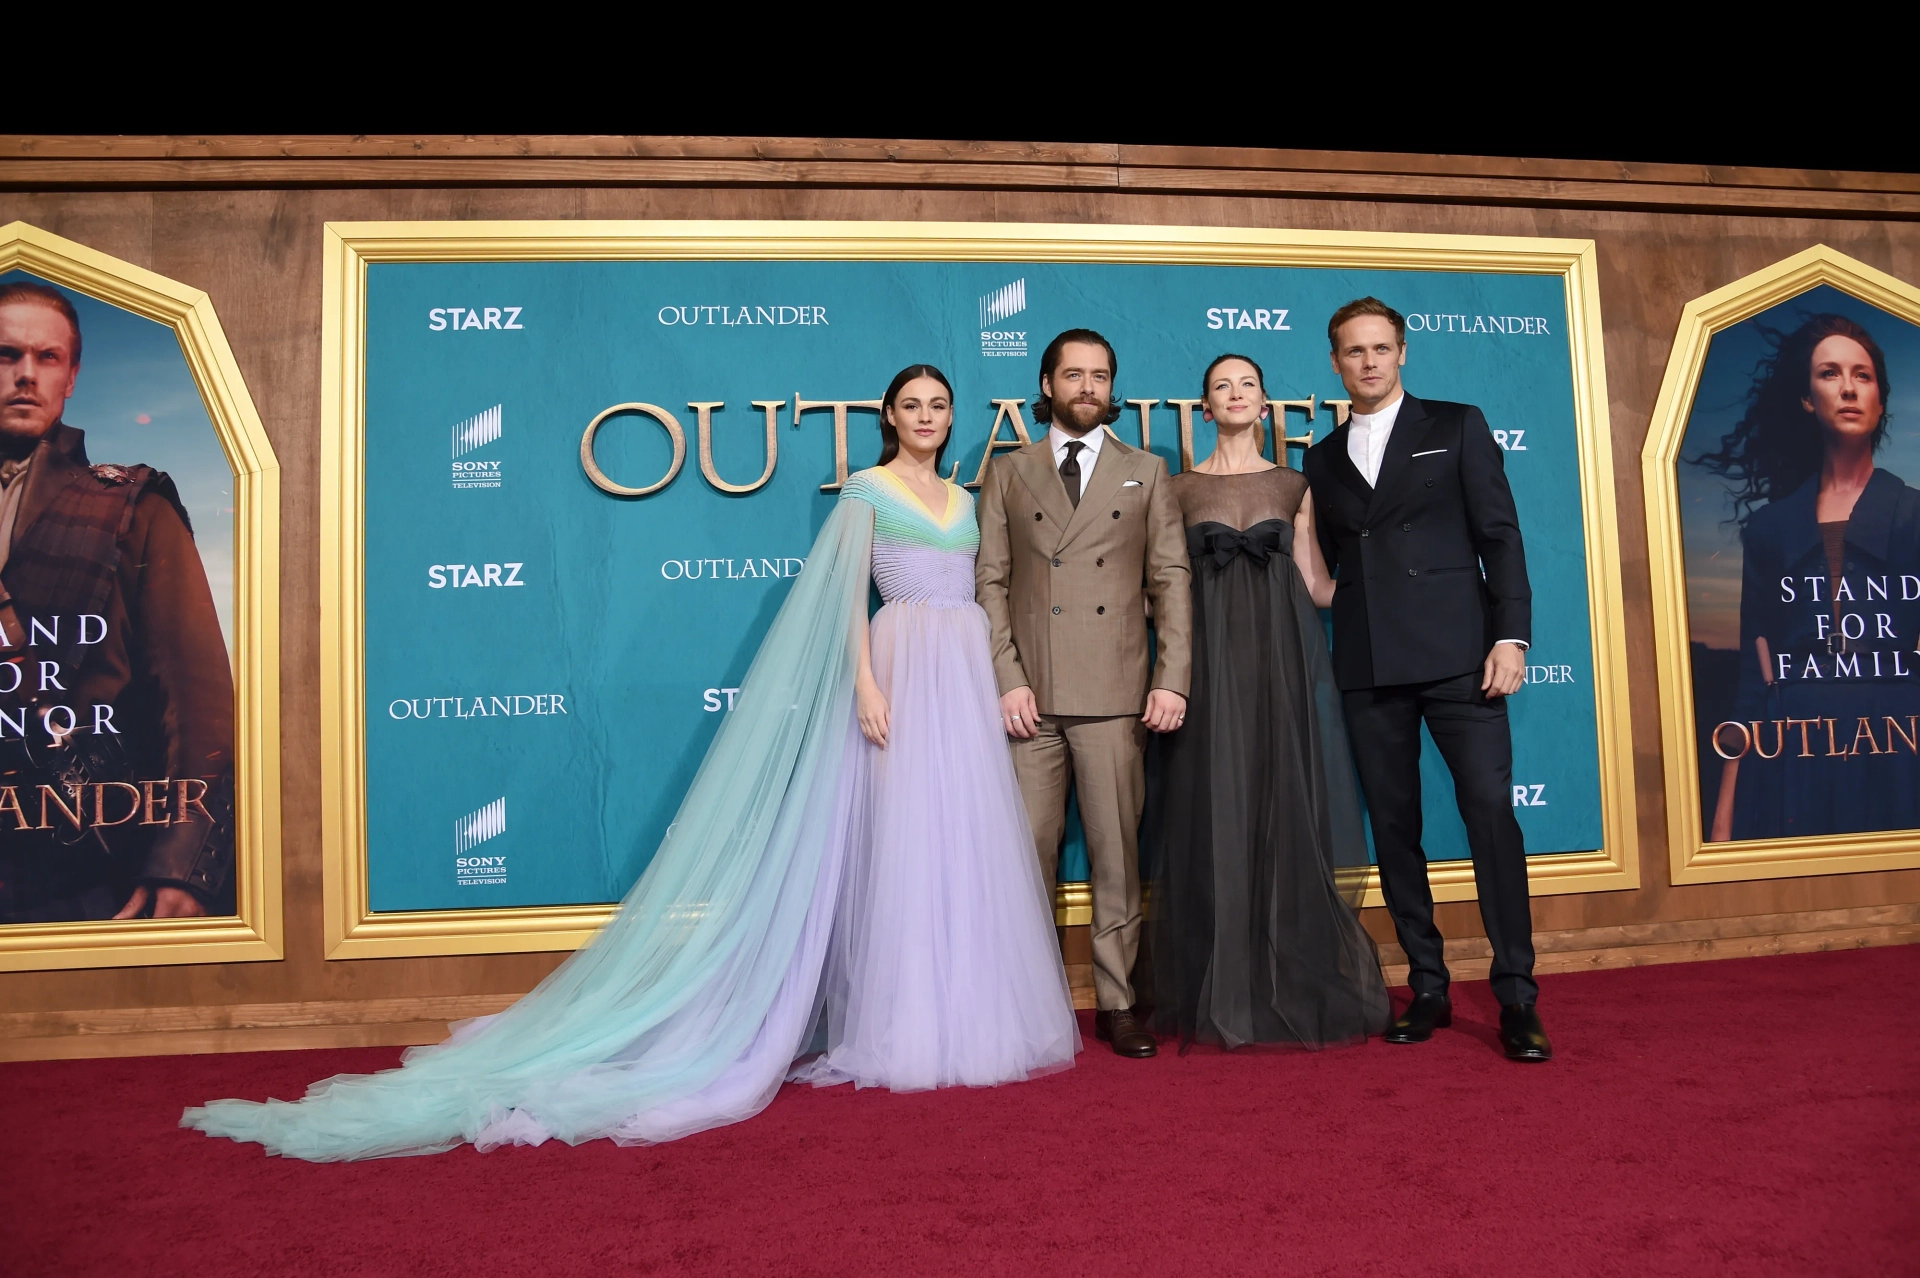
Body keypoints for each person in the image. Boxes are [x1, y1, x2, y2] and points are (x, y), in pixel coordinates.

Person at [184, 364, 1079, 1161]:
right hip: (900, 673)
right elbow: (846, 599)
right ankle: (903, 1027)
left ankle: (968, 1019)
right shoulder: (866, 488)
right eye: (911, 404)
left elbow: (984, 590)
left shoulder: (968, 497)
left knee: (957, 848)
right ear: (888, 414)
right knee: (898, 850)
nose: (925, 415)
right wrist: (865, 684)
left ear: (952, 417)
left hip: (963, 679)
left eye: (938, 405)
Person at [1301, 298, 1550, 1063]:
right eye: (1353, 351)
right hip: (1371, 665)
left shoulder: (1457, 424)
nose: (1369, 361)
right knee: (1397, 832)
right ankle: (1431, 986)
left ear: (1402, 351)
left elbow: (1500, 536)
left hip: (1461, 658)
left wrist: (1510, 635)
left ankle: (1516, 997)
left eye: (1381, 348)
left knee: (1490, 819)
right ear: (1335, 362)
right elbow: (1328, 567)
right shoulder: (1322, 455)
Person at [1147, 354, 1390, 1049]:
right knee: (1211, 809)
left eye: (1247, 384)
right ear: (1203, 407)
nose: (1234, 394)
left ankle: (1285, 976)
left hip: (1281, 670)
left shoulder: (1294, 484)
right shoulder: (1177, 488)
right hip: (1206, 671)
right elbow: (1159, 586)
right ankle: (1218, 985)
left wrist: (1401, 593)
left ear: (1263, 402)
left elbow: (1316, 583)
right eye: (1221, 386)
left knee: (1285, 806)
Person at [976, 328, 1192, 1059]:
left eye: (1101, 375)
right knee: (1026, 854)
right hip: (1030, 698)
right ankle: (1028, 998)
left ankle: (1120, 1002)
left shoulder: (1148, 470)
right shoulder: (1008, 472)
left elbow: (1170, 580)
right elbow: (991, 584)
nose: (1089, 387)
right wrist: (1006, 678)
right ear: (1046, 386)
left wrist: (1172, 677)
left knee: (1116, 857)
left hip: (1115, 692)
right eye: (1074, 375)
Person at [0, 280, 233, 924]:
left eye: (47, 358)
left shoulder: (133, 508)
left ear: (71, 376)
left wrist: (181, 867)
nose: (26, 375)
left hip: (78, 853)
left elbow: (196, 703)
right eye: (5, 355)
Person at [1695, 313, 1920, 841]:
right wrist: (1727, 805)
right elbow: (1755, 675)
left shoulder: (1913, 515)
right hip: (1795, 747)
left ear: (1881, 401)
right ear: (1805, 398)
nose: (1848, 388)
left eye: (1863, 376)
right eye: (1830, 373)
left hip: (1899, 744)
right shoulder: (1772, 529)